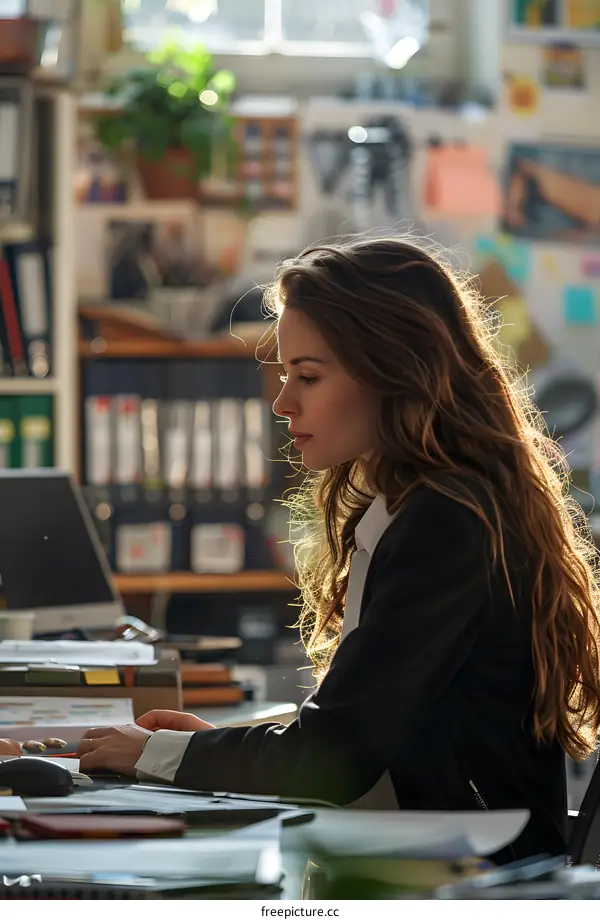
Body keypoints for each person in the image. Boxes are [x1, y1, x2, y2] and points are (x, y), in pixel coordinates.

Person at [76, 238, 600, 864]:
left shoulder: (447, 524)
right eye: (285, 375)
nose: (282, 402)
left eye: (308, 376)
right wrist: (213, 751)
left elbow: (338, 759)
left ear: (393, 371)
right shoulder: (411, 506)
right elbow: (357, 739)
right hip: (422, 855)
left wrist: (163, 754)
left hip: (469, 879)